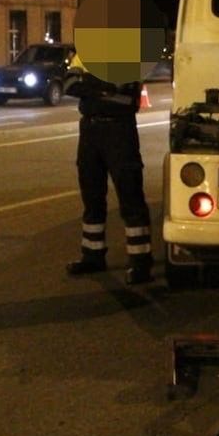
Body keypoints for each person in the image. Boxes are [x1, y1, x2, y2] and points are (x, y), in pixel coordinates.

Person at [64, 73, 153, 284]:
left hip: (119, 131)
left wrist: (89, 88)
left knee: (130, 196)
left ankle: (141, 263)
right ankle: (92, 256)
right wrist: (105, 89)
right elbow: (69, 84)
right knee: (91, 195)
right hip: (89, 130)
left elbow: (128, 100)